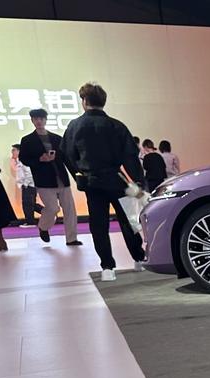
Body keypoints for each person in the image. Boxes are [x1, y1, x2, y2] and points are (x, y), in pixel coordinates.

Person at [61, 82, 146, 281]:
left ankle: (107, 267)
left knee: (98, 225)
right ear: (103, 101)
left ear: (84, 101)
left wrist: (79, 173)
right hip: (117, 179)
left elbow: (66, 154)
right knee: (128, 222)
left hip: (92, 182)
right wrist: (138, 181)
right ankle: (139, 259)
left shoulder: (74, 126)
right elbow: (130, 156)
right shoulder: (116, 125)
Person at [19, 108, 81, 245]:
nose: (39, 121)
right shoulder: (27, 140)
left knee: (70, 209)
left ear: (45, 120)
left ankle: (72, 239)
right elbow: (24, 159)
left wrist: (77, 176)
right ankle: (43, 226)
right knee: (52, 208)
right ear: (32, 120)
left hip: (62, 178)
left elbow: (67, 159)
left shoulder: (57, 138)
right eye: (36, 119)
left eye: (41, 118)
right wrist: (39, 159)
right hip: (43, 180)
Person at [11, 144, 40, 225]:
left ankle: (31, 222)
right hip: (27, 185)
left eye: (14, 150)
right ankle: (47, 213)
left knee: (28, 205)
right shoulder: (19, 161)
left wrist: (25, 184)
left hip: (29, 186)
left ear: (19, 151)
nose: (12, 152)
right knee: (30, 204)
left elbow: (29, 174)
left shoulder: (24, 161)